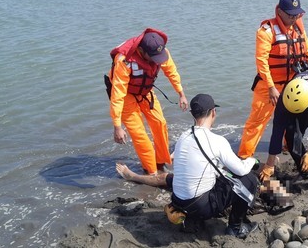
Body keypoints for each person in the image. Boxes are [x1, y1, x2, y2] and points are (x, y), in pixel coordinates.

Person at [238, 0, 308, 159]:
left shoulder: (298, 28)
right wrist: (271, 87)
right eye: (290, 14)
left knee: (291, 119)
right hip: (268, 86)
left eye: (296, 14)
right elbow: (261, 62)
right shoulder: (266, 32)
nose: (293, 17)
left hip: (292, 85)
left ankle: (286, 144)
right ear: (280, 12)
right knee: (256, 122)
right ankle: (244, 155)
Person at [170, 94, 260, 239]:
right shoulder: (218, 141)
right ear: (213, 112)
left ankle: (192, 218)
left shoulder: (182, 137)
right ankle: (236, 228)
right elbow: (241, 169)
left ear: (193, 114)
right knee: (249, 179)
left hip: (178, 201)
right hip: (200, 207)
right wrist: (252, 160)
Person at [107, 27, 188, 176]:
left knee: (160, 122)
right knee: (140, 135)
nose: (157, 60)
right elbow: (117, 94)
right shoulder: (124, 61)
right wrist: (117, 126)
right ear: (142, 51)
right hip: (126, 96)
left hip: (145, 91)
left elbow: (171, 71)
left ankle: (161, 161)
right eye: (153, 58)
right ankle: (151, 172)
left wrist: (181, 93)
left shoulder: (160, 52)